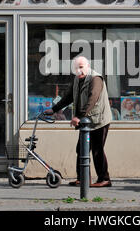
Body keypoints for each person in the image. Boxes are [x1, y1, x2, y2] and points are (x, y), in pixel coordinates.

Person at [45, 56, 113, 188]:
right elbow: (68, 97)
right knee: (81, 149)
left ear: (87, 66)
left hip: (99, 120)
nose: (79, 70)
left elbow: (92, 99)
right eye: (76, 68)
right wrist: (54, 109)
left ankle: (104, 179)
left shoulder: (96, 78)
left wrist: (79, 117)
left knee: (97, 149)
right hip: (87, 121)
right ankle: (82, 179)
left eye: (81, 67)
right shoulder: (77, 79)